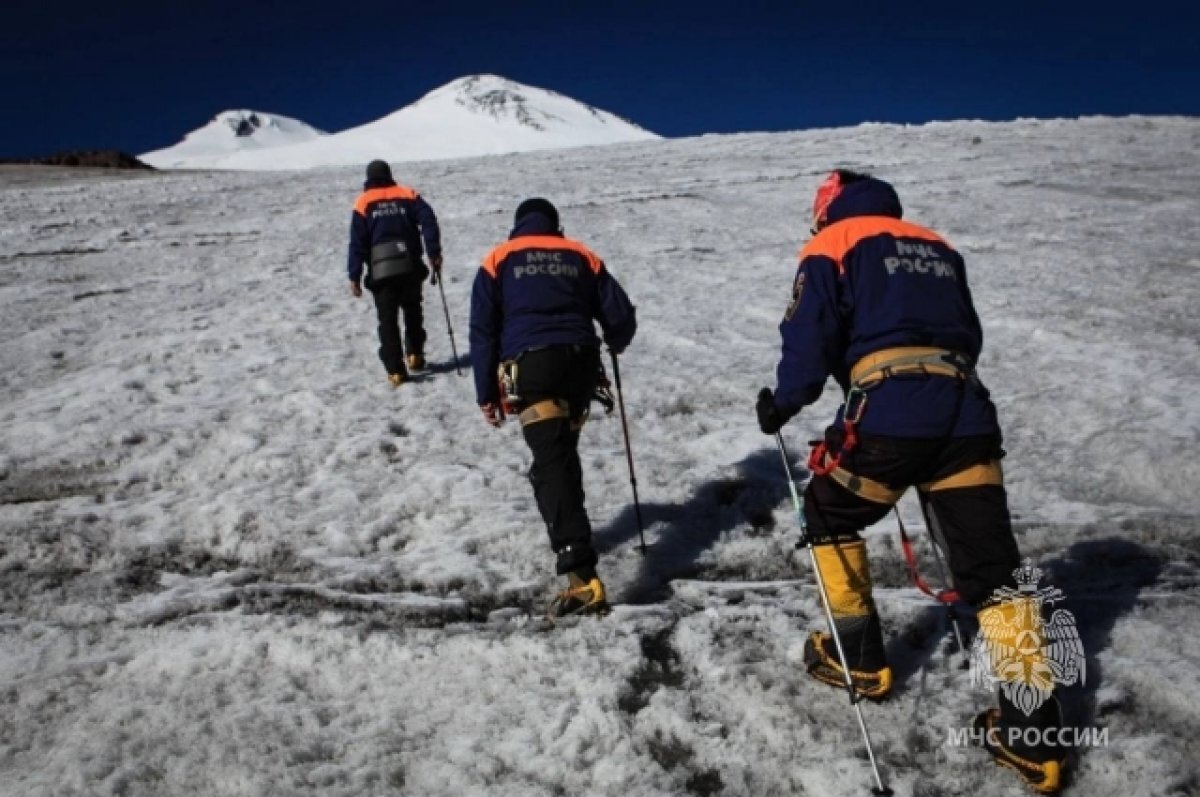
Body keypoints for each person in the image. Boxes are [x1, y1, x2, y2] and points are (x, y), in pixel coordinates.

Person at [757, 170, 1066, 793]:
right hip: (966, 413)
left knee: (828, 513)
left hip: (892, 415)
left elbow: (809, 336)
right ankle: (1034, 735)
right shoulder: (938, 247)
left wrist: (784, 403)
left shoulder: (832, 245)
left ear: (830, 205)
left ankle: (859, 660)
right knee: (995, 572)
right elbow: (967, 335)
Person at [470, 198, 636, 619]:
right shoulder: (580, 254)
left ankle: (581, 578)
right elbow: (621, 314)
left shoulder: (498, 259)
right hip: (580, 365)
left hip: (532, 366)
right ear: (554, 225)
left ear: (517, 224)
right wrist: (614, 339)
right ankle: (575, 545)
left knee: (551, 463)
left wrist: (486, 392)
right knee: (559, 458)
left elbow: (483, 331)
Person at [347, 159, 443, 386]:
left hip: (381, 271)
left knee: (387, 320)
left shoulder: (363, 202)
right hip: (409, 265)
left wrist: (354, 275)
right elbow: (428, 220)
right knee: (412, 310)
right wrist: (433, 252)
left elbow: (357, 242)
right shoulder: (408, 194)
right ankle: (415, 354)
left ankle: (396, 370)